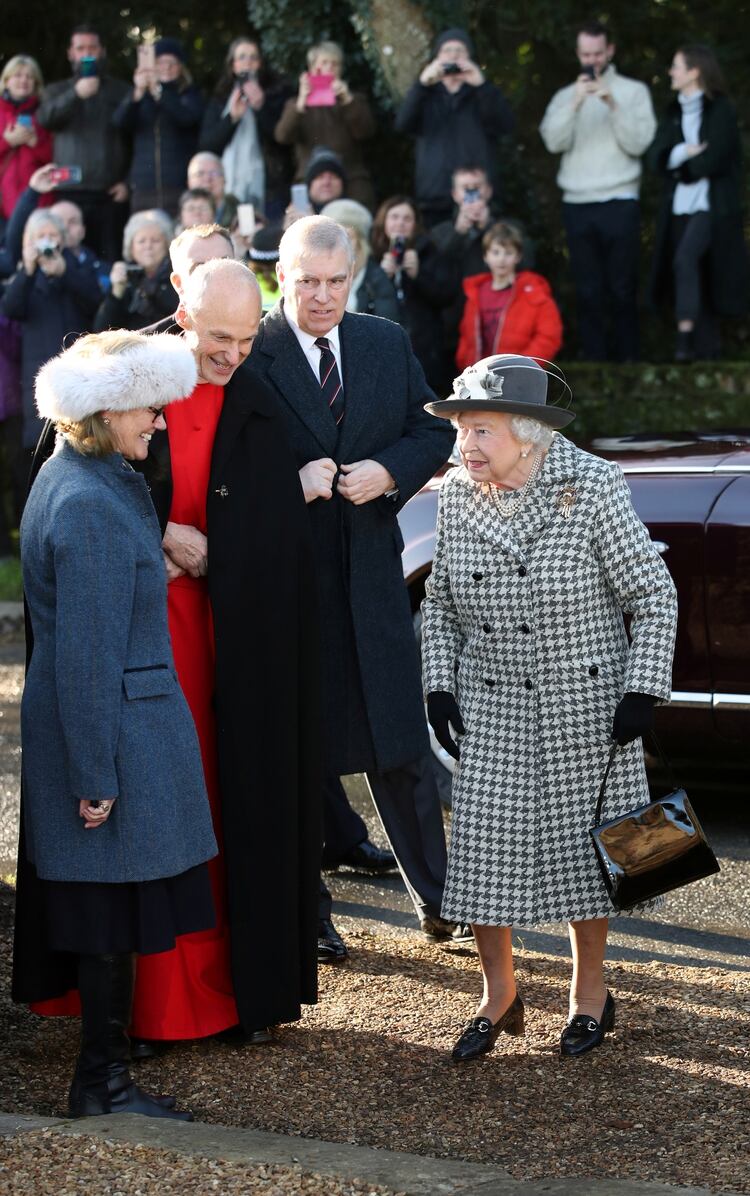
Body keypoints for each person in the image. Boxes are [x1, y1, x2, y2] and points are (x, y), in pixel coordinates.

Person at [15, 258, 322, 1054]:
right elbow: (76, 493)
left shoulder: (260, 386)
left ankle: (223, 996)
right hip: (140, 629)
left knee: (220, 800)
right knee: (138, 811)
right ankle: (135, 1022)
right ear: (181, 316)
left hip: (230, 631)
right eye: (220, 337)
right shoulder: (115, 379)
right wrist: (158, 532)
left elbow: (276, 522)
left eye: (249, 339)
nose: (233, 355)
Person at [420, 354, 678, 1062]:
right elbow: (440, 605)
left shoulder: (593, 486)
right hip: (493, 703)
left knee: (584, 860)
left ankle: (589, 995)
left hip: (585, 707)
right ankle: (498, 997)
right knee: (480, 858)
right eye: (460, 431)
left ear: (527, 433)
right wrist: (438, 683)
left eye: (479, 431)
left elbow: (654, 597)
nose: (464, 447)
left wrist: (641, 691)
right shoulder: (456, 496)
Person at [18, 329, 217, 1119]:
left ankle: (105, 1076)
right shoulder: (93, 502)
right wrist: (96, 776)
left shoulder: (78, 478)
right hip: (113, 739)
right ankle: (100, 1084)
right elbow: (89, 659)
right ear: (105, 411)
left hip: (113, 730)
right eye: (149, 408)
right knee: (107, 916)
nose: (160, 423)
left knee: (112, 913)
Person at [251, 216, 457, 960]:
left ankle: (440, 900)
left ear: (354, 275)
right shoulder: (250, 353)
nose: (323, 297)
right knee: (301, 757)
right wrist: (287, 484)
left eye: (337, 282)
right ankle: (308, 915)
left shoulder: (382, 340)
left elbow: (434, 431)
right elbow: (219, 474)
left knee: (400, 745)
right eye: (308, 281)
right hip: (290, 585)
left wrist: (390, 471)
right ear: (283, 274)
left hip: (372, 575)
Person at [539, 21, 656, 362]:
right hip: (578, 203)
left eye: (598, 53)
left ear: (610, 51)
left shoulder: (633, 92)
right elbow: (552, 141)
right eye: (586, 54)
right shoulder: (564, 96)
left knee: (622, 287)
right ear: (578, 54)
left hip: (620, 199)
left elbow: (639, 143)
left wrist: (612, 104)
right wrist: (574, 103)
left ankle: (629, 364)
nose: (592, 60)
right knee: (588, 290)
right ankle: (596, 363)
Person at [648, 45, 749, 361]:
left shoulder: (721, 109)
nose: (671, 72)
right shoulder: (673, 111)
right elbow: (657, 158)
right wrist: (683, 154)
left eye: (676, 66)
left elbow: (715, 158)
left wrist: (683, 166)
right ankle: (707, 351)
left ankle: (685, 337)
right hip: (680, 205)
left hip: (712, 206)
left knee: (687, 260)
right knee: (692, 270)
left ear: (695, 71)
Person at [1, 208, 101, 465]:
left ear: (63, 238)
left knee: (80, 445)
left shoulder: (75, 267)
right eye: (40, 235)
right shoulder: (25, 276)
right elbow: (12, 307)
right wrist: (28, 271)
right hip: (36, 376)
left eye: (52, 234)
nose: (47, 240)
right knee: (38, 448)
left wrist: (64, 271)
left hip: (77, 373)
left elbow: (95, 301)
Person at [395, 29, 514, 228]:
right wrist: (422, 84)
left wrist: (482, 86)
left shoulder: (483, 94)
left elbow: (505, 126)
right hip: (434, 196)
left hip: (478, 196)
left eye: (460, 50)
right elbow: (403, 124)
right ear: (436, 58)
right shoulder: (425, 96)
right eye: (447, 50)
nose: (453, 55)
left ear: (470, 57)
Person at [37, 25, 130, 262]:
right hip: (68, 192)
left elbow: (136, 136)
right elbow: (46, 119)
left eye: (92, 48)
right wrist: (76, 94)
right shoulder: (56, 91)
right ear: (70, 53)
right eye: (80, 48)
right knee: (67, 258)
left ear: (102, 52)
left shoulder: (121, 91)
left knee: (109, 259)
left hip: (108, 194)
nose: (86, 54)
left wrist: (128, 182)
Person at [199, 37, 294, 220]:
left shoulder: (276, 95)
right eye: (242, 57)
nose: (248, 62)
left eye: (253, 57)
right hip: (228, 191)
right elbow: (208, 145)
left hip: (270, 188)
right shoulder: (219, 101)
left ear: (260, 64)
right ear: (233, 65)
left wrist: (261, 107)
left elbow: (282, 139)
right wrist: (231, 119)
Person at [274, 42, 375, 211]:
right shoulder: (296, 103)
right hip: (309, 181)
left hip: (350, 181)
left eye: (335, 64)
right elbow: (282, 136)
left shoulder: (354, 100)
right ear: (312, 68)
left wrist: (348, 101)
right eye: (324, 63)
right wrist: (300, 103)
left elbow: (365, 132)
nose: (329, 68)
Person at [371, 194, 455, 393]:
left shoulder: (431, 252)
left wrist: (419, 275)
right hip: (382, 348)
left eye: (407, 218)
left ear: (415, 224)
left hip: (425, 350)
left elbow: (446, 296)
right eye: (394, 217)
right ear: (384, 221)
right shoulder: (371, 256)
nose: (400, 223)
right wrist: (382, 277)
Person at [113, 38, 204, 216]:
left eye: (173, 62)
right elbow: (119, 122)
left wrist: (158, 91)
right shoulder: (139, 98)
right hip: (143, 186)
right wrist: (138, 92)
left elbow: (187, 118)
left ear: (181, 67)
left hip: (178, 185)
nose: (167, 67)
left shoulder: (189, 95)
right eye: (161, 62)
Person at [455, 221, 563, 370]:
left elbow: (549, 336)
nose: (501, 259)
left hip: (519, 380)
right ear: (485, 256)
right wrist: (466, 366)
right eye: (496, 252)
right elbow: (466, 337)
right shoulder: (475, 292)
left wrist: (520, 367)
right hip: (479, 380)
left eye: (508, 253)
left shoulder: (533, 292)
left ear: (518, 257)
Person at [94, 209, 175, 332]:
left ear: (167, 244)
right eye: (141, 241)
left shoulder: (176, 274)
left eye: (155, 241)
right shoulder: (126, 277)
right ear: (131, 247)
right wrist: (116, 292)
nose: (148, 246)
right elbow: (101, 330)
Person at [322, 198, 400, 322]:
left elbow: (386, 327)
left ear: (360, 243)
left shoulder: (376, 278)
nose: (341, 244)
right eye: (334, 238)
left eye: (348, 237)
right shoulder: (316, 275)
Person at [0, 55, 53, 222]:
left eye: (29, 77)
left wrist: (35, 143)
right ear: (6, 81)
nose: (24, 80)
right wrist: (8, 142)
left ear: (36, 84)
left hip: (39, 202)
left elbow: (56, 158)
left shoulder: (45, 114)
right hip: (3, 204)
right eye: (18, 75)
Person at [187, 152, 238, 228]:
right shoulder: (177, 226)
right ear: (189, 182)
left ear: (224, 179)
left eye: (214, 173)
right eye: (200, 174)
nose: (207, 179)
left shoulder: (243, 215)